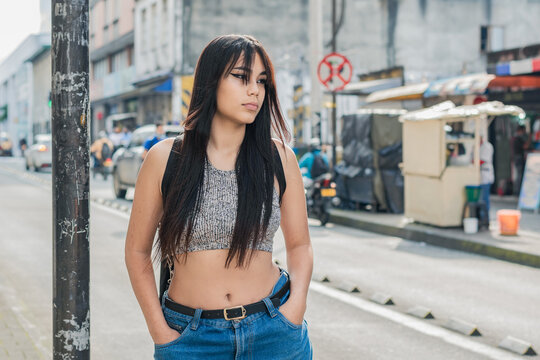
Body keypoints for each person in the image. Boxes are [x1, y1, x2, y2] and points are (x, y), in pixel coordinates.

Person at [125, 35, 313, 359]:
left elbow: (300, 246)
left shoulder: (279, 158)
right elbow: (137, 251)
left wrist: (294, 309)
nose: (254, 90)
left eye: (261, 81)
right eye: (241, 77)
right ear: (212, 81)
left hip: (274, 332)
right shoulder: (165, 158)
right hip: (191, 339)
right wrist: (161, 332)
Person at [479, 136, 494, 214]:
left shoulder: (487, 146)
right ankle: (481, 216)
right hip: (479, 174)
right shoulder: (476, 146)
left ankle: (485, 218)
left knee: (485, 198)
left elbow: (483, 160)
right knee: (480, 198)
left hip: (486, 174)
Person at [512, 125, 529, 194]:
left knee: (519, 174)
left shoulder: (515, 138)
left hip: (517, 157)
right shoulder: (518, 138)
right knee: (519, 175)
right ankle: (518, 191)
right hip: (519, 158)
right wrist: (530, 137)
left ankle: (518, 191)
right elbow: (525, 146)